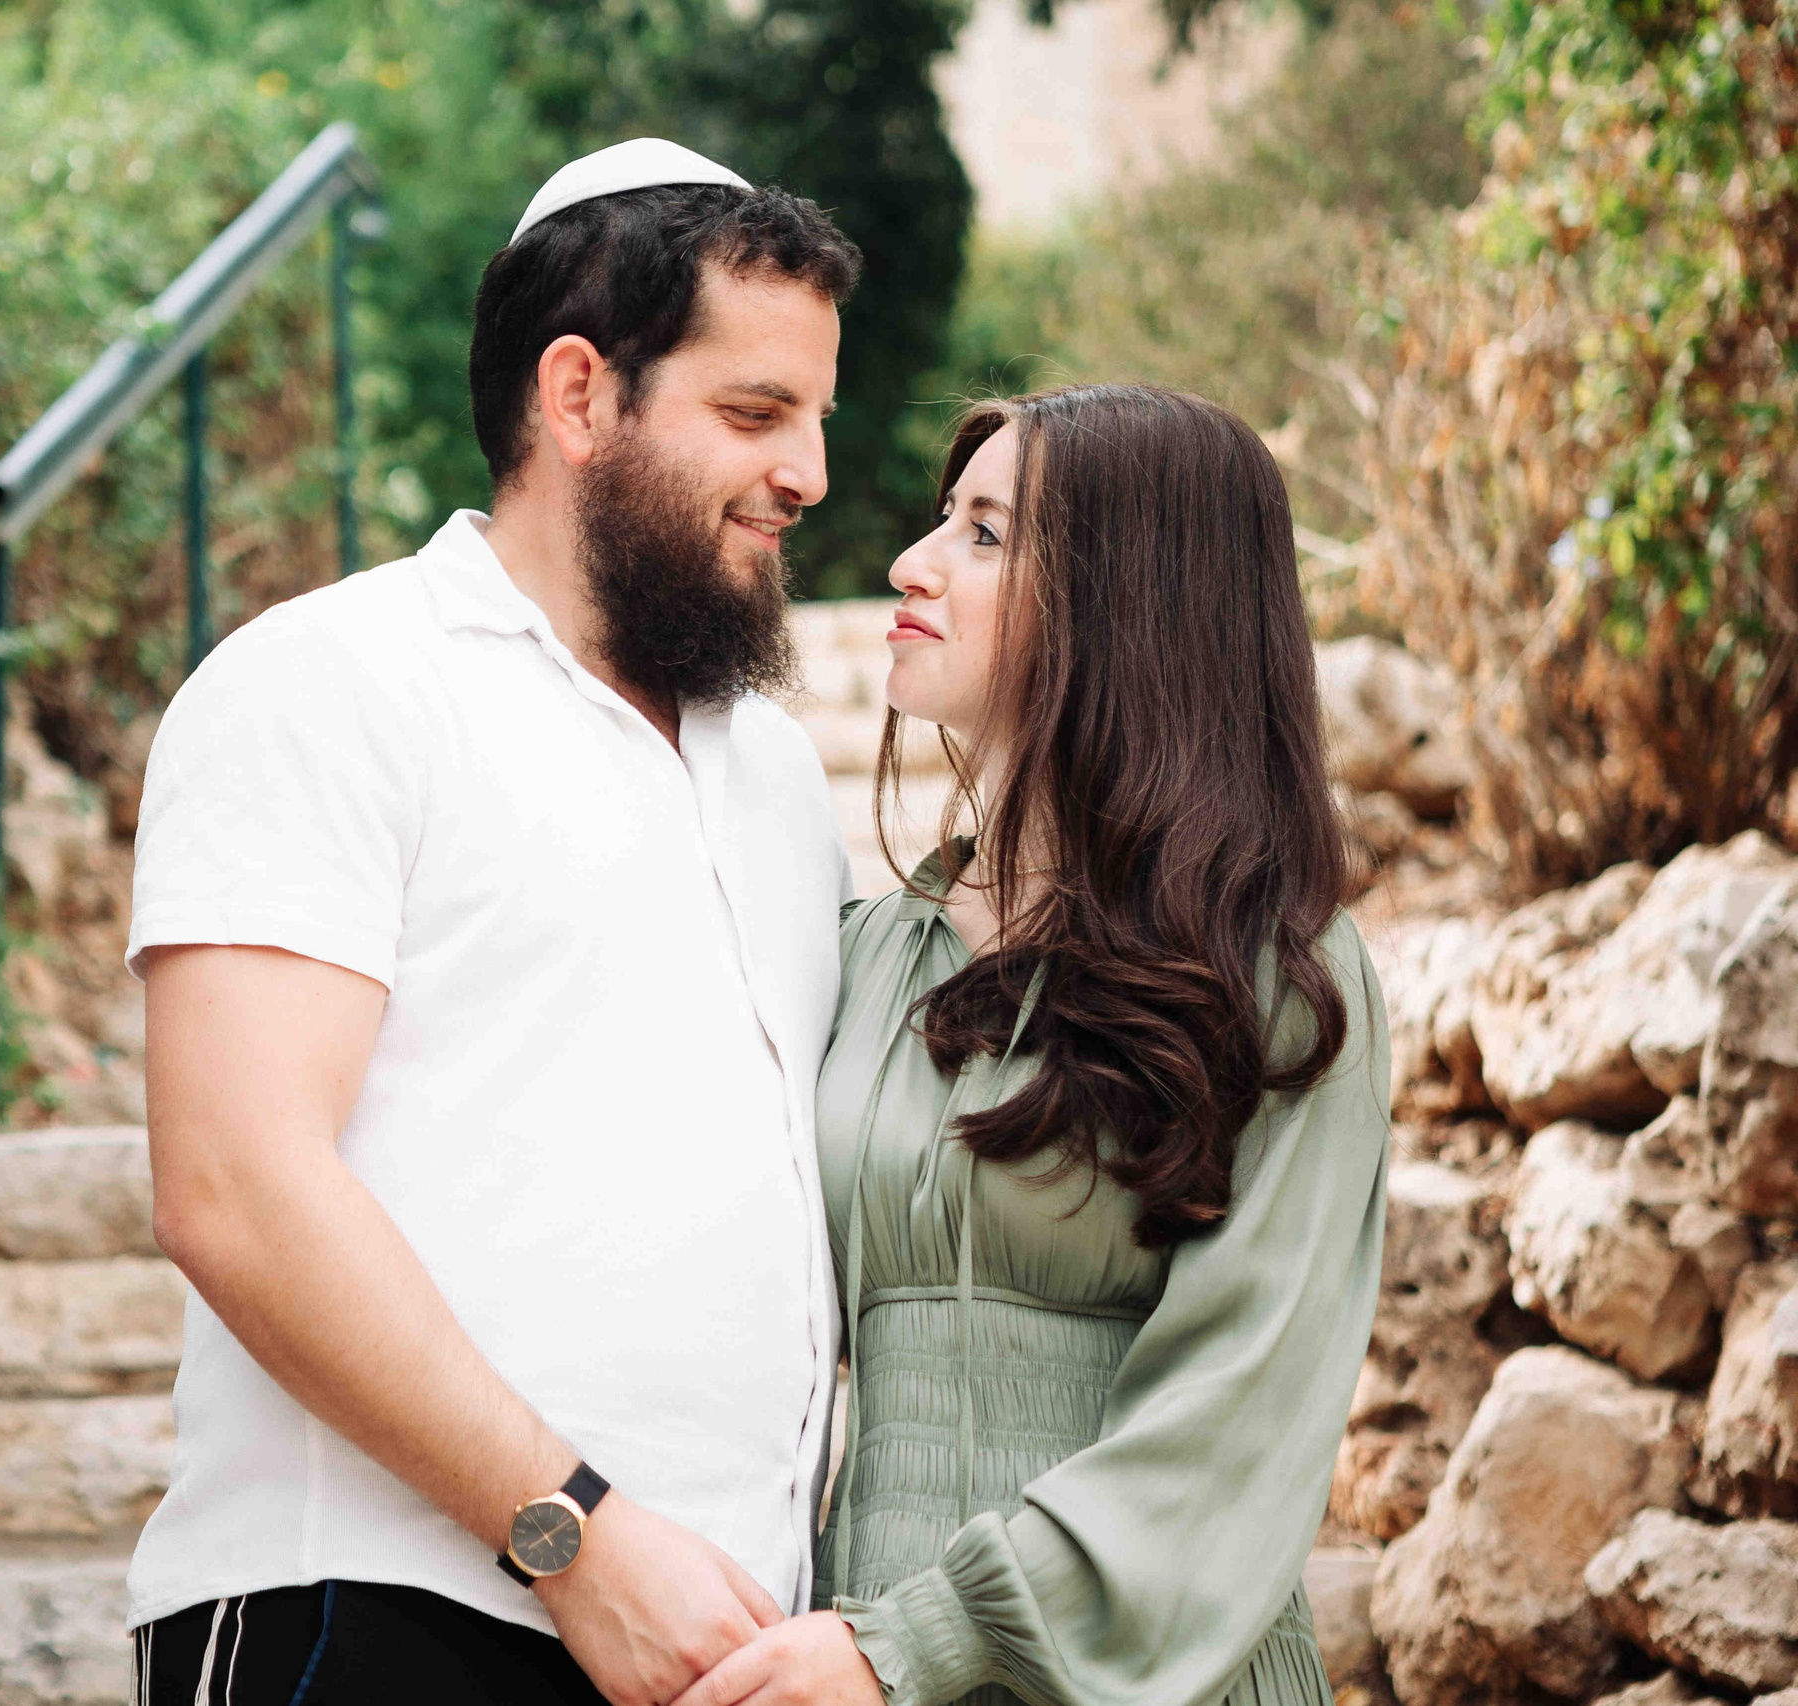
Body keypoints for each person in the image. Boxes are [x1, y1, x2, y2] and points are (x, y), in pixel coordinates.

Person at [124, 139, 864, 1705]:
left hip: (727, 1647)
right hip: (372, 1619)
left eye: (816, 421)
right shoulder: (330, 682)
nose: (808, 473)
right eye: (754, 413)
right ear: (579, 394)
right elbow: (236, 1185)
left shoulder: (782, 775)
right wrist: (576, 1539)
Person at [677, 385, 1393, 1706]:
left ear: (1134, 599)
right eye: (944, 518)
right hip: (848, 1662)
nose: (913, 560)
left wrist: (913, 1644)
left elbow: (1237, 1416)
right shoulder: (871, 953)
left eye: (987, 534)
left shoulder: (1281, 968)